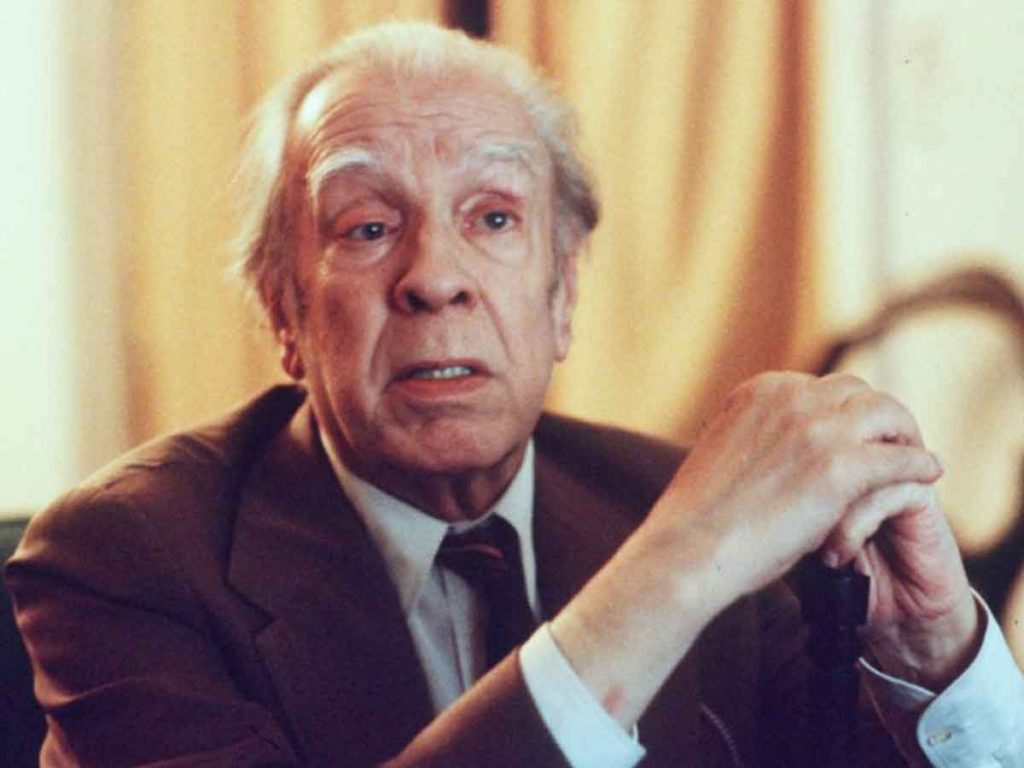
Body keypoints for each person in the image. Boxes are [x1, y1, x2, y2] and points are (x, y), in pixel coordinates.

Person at [6, 21, 1023, 768]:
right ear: (283, 310)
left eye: (492, 218)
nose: (434, 277)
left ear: (564, 294)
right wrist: (676, 569)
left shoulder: (672, 509)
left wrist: (934, 656)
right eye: (367, 227)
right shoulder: (126, 557)